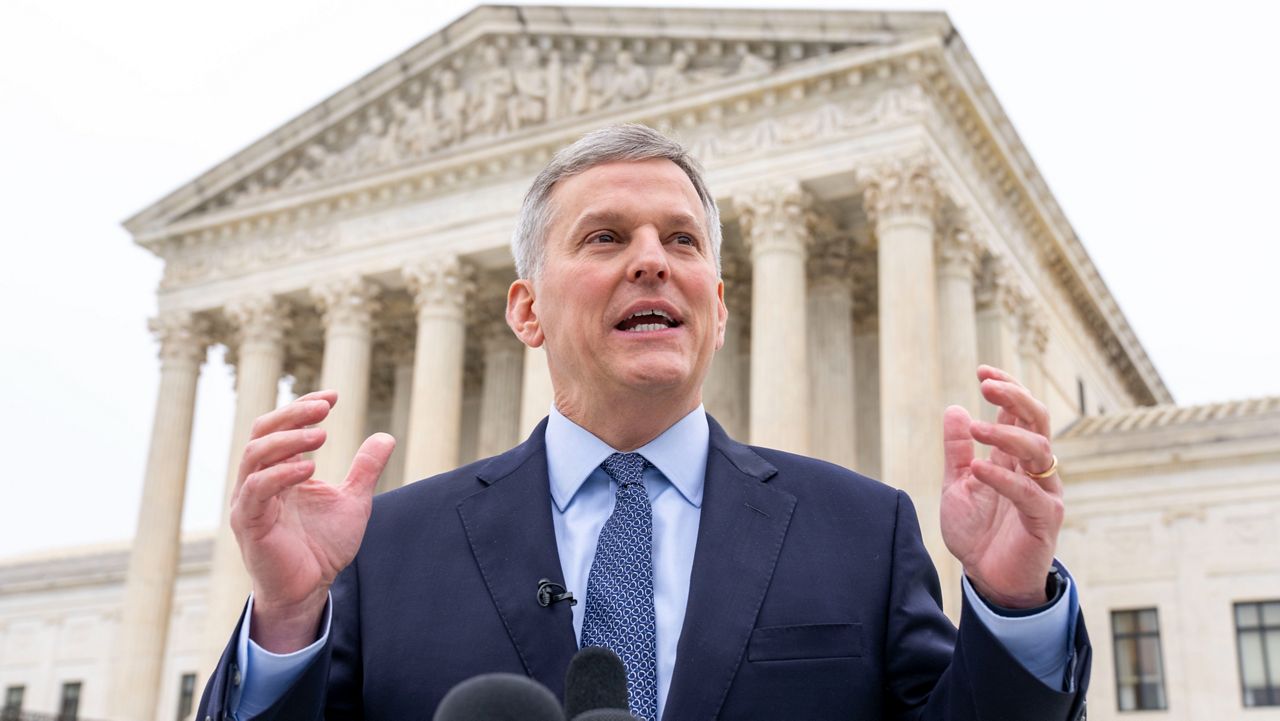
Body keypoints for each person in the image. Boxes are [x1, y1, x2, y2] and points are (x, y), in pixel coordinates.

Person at [198, 124, 1089, 720]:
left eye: (684, 240)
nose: (653, 262)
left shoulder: (860, 529)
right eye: (605, 238)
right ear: (525, 311)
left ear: (721, 307)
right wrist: (283, 618)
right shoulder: (381, 549)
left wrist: (1012, 606)